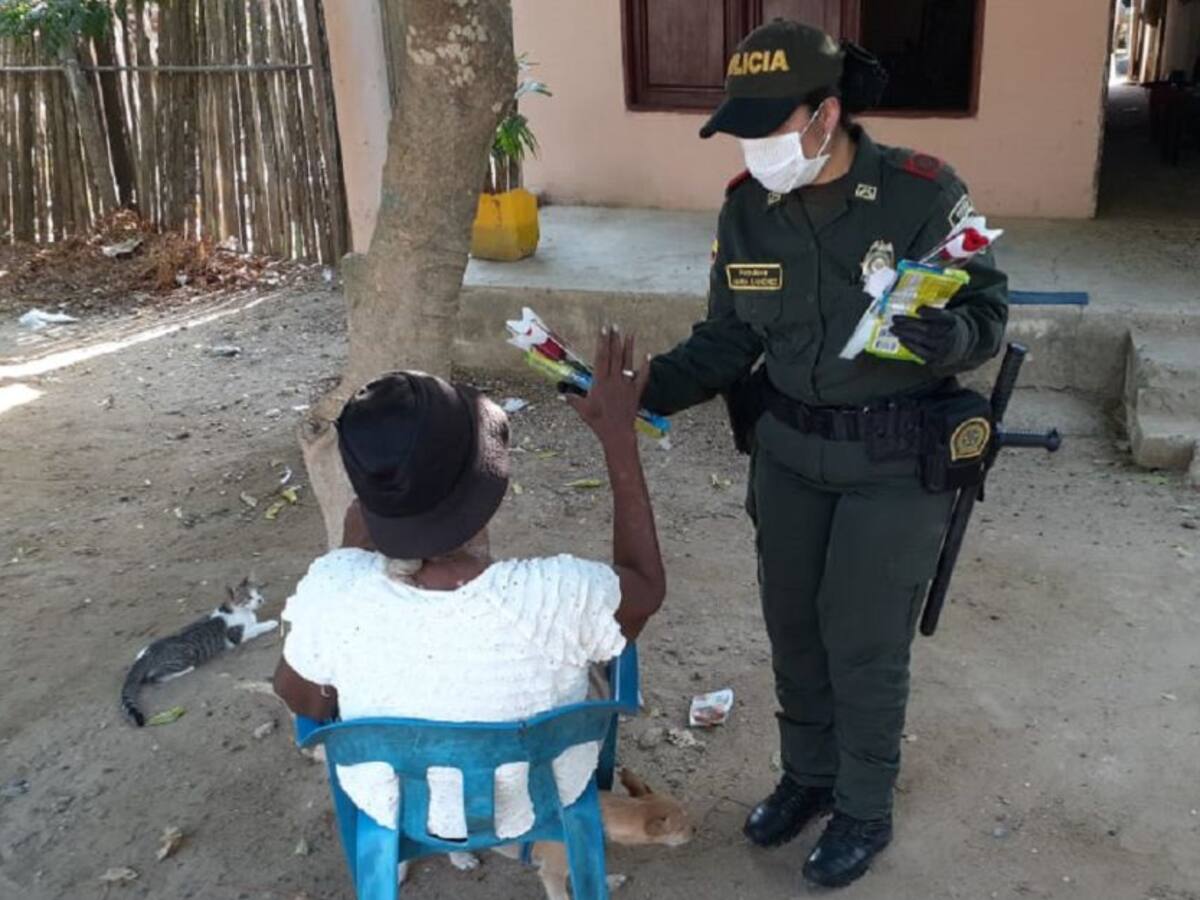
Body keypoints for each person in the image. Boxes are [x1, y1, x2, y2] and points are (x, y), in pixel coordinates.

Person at [641, 19, 1008, 890]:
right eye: (746, 130)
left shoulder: (922, 193)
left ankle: (863, 806)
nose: (757, 147)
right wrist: (637, 392)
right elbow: (726, 342)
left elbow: (990, 316)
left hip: (893, 461)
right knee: (795, 631)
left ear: (825, 114)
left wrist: (949, 333)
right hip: (789, 453)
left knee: (864, 642)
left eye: (772, 127)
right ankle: (808, 777)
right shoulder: (746, 209)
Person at [273, 328, 665, 840]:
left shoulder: (335, 591)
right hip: (540, 793)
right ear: (488, 483)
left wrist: (350, 554)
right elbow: (646, 586)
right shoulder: (560, 597)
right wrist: (619, 439)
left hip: (400, 803)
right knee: (596, 659)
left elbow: (305, 701)